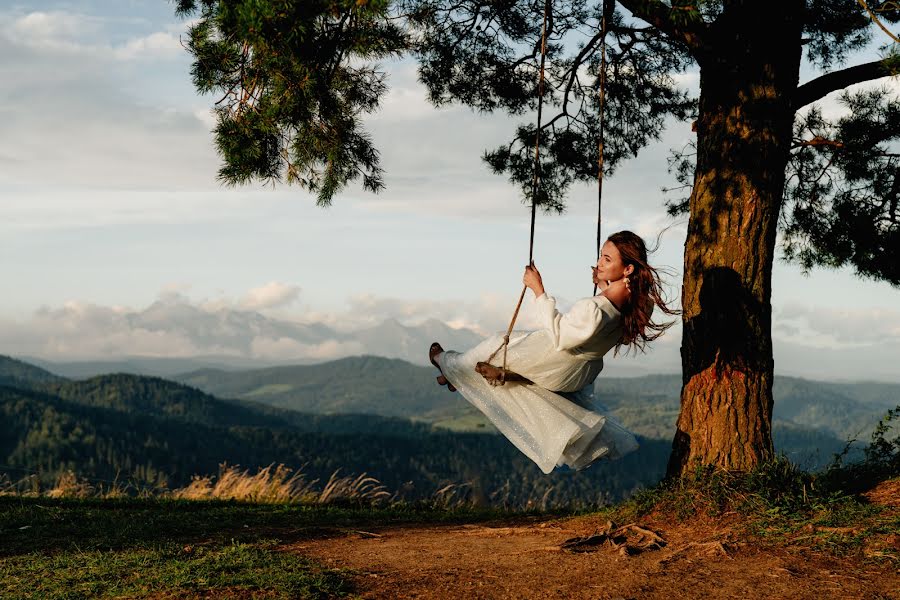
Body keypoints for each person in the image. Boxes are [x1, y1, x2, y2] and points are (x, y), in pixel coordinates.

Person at [428, 230, 677, 474]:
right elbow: (615, 327)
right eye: (601, 256)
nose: (599, 263)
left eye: (607, 259)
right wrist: (604, 283)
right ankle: (451, 377)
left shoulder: (593, 309)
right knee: (498, 364)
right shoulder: (643, 304)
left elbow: (560, 336)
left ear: (628, 269)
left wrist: (538, 290)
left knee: (490, 348)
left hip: (554, 362)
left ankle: (444, 362)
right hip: (579, 373)